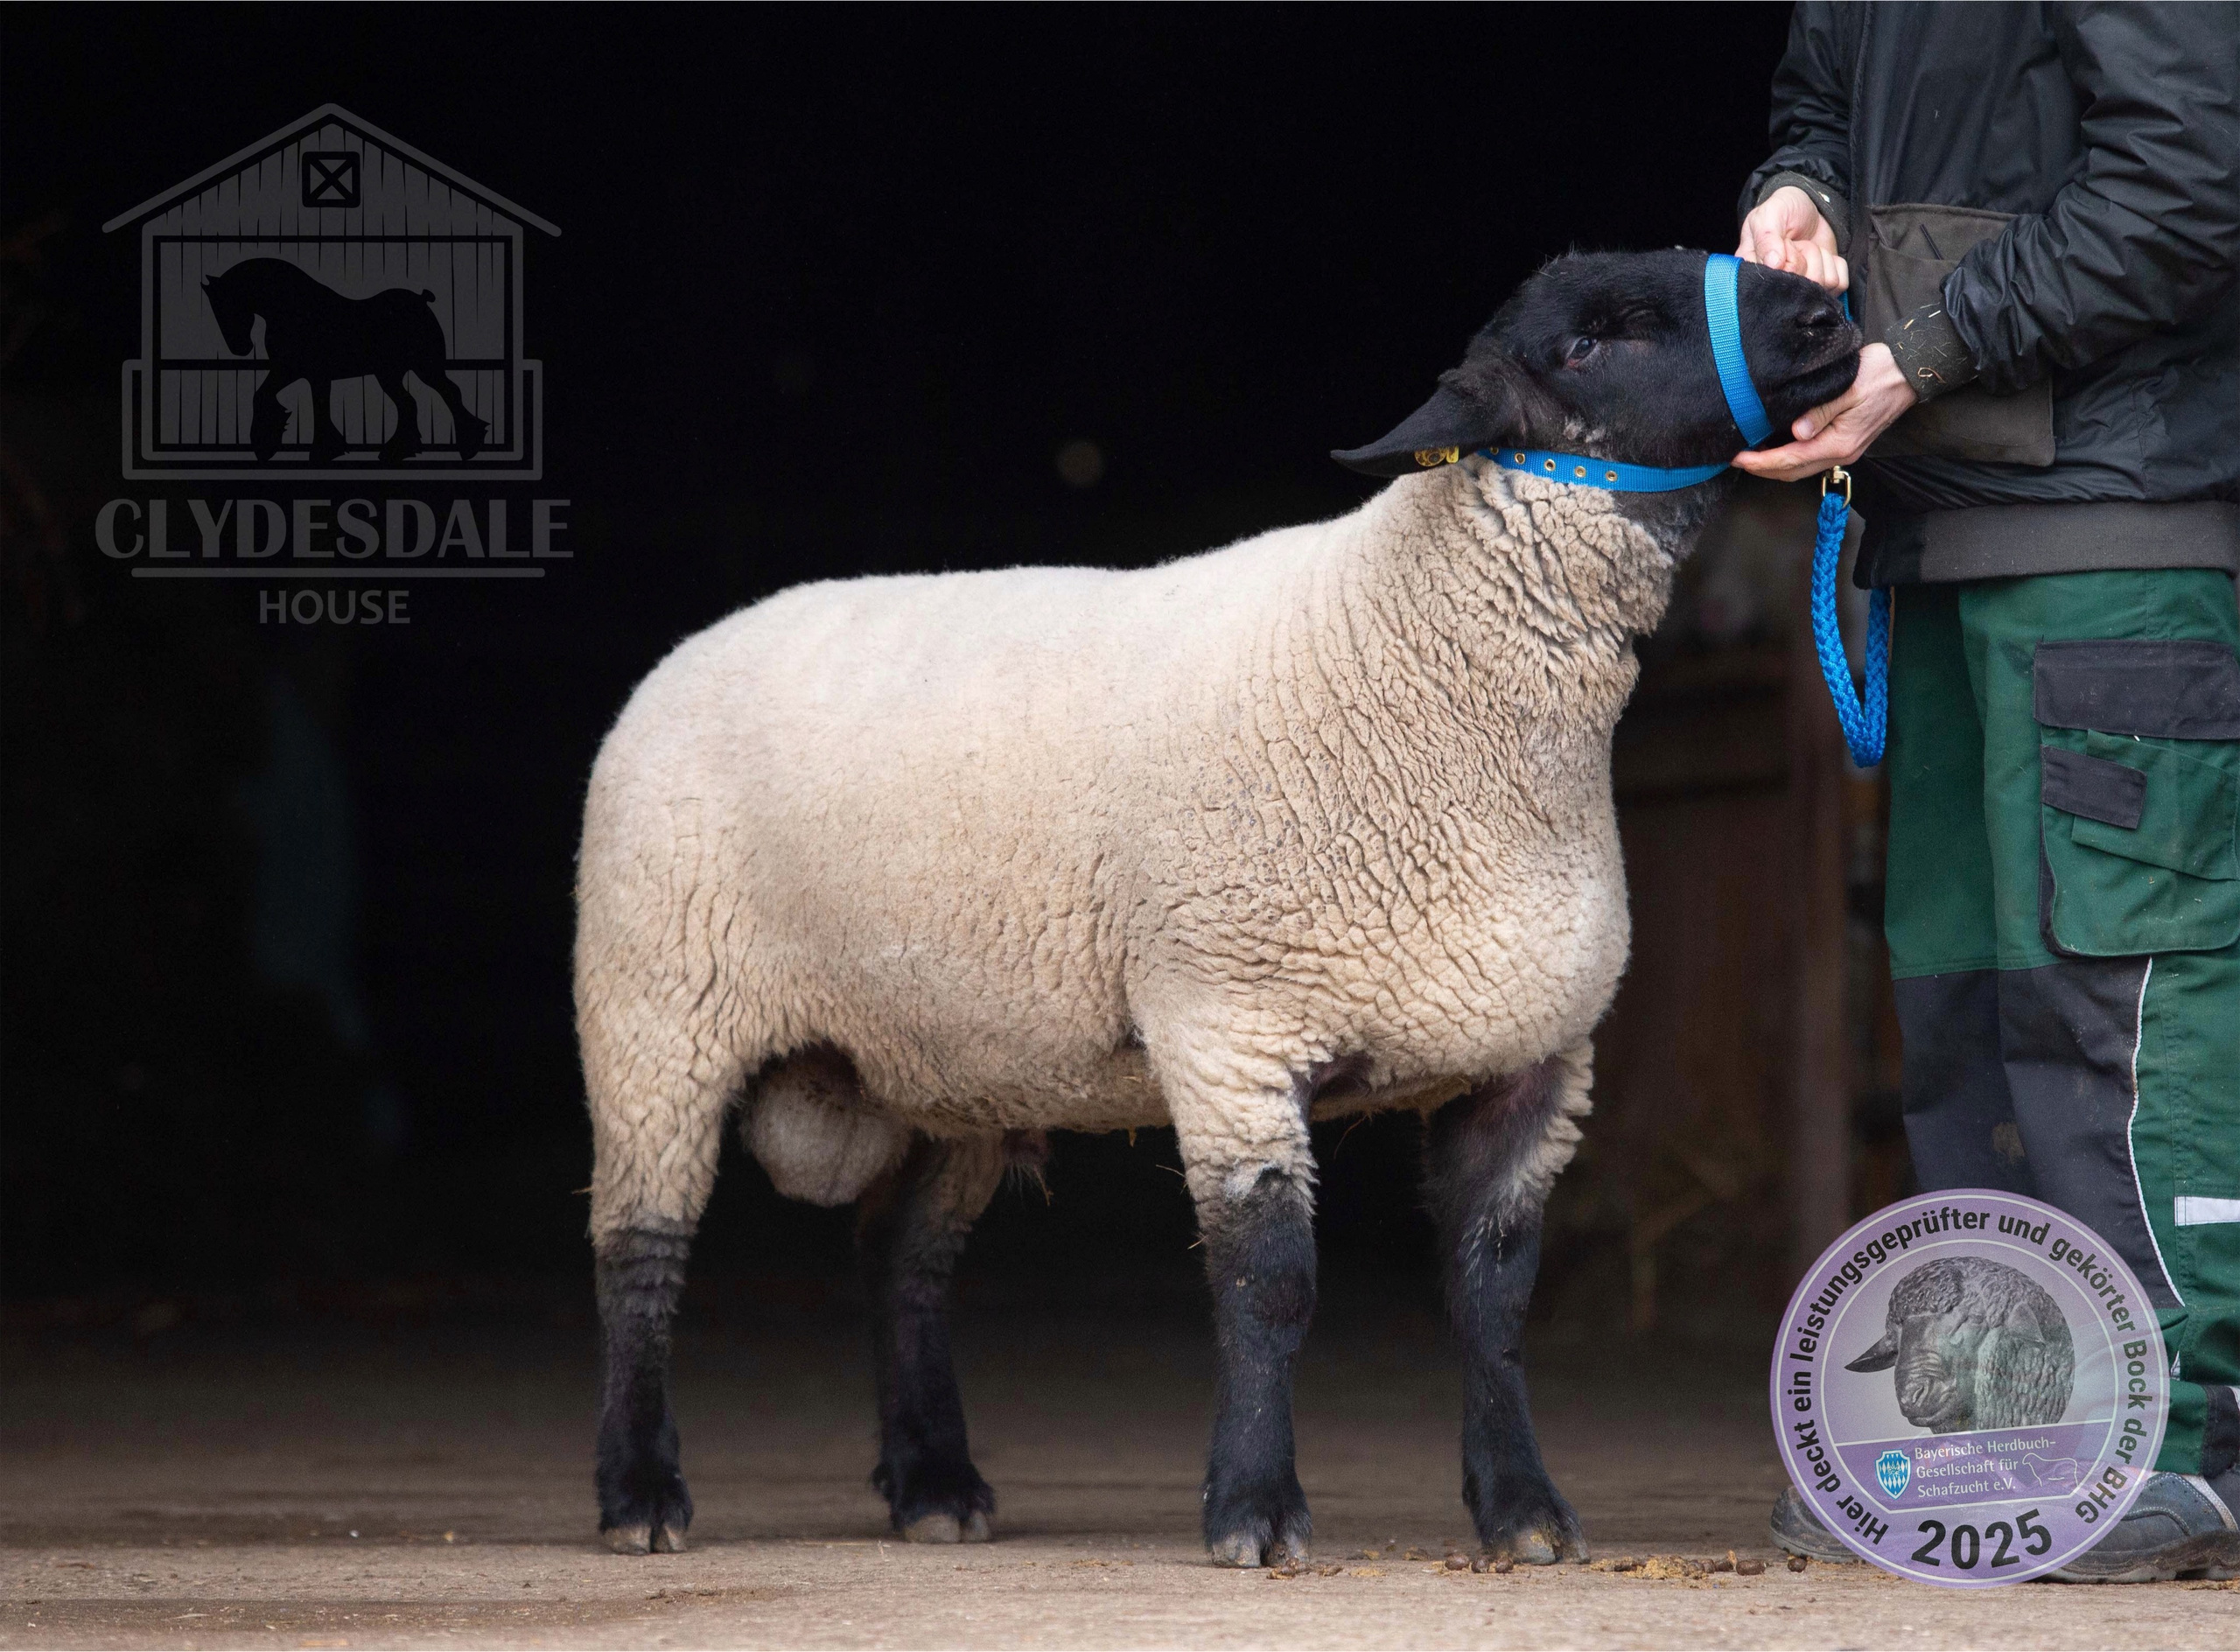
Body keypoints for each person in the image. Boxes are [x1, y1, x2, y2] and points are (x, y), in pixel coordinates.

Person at [1733, 3, 2240, 1581]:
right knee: (1960, 1004)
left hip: (2114, 520)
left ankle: (2186, 1438)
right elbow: (1822, 98)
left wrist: (1930, 348)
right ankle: (2014, 1436)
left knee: (2119, 991)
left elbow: (2191, 178)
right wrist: (1798, 194)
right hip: (1938, 526)